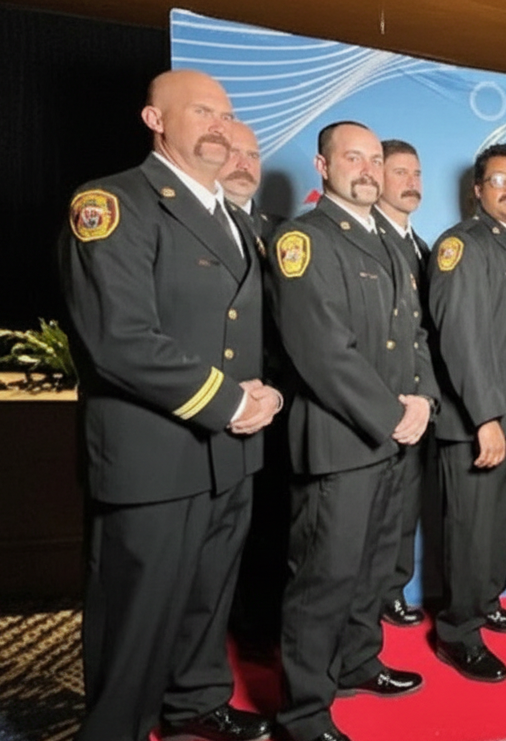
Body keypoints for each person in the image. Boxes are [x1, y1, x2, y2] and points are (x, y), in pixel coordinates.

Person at [60, 69, 279, 741]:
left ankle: (194, 702)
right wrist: (232, 401)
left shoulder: (235, 218)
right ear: (155, 120)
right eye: (202, 112)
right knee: (135, 615)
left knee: (208, 596)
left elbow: (242, 330)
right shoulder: (113, 202)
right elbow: (120, 339)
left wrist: (265, 394)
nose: (220, 126)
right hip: (153, 454)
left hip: (229, 453)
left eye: (227, 114)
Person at [267, 121, 436, 741]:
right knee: (325, 578)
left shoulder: (390, 241)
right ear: (323, 166)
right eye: (352, 158)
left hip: (393, 436)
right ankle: (305, 714)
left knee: (372, 568)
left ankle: (360, 660)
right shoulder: (304, 240)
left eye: (374, 159)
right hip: (340, 440)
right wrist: (392, 413)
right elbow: (322, 351)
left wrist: (422, 399)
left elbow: (415, 334)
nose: (366, 169)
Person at [428, 143, 506, 682]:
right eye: (500, 180)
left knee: (498, 525)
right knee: (470, 529)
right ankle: (457, 632)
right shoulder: (462, 244)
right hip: (479, 420)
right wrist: (485, 418)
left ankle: (482, 603)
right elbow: (462, 338)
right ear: (477, 189)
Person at [221, 120, 291, 660]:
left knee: (271, 520)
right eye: (233, 153)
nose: (245, 164)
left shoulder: (282, 233)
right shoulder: (189, 225)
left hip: (281, 403)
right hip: (216, 402)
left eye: (253, 155)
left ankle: (259, 628)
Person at [372, 138, 439, 627]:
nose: (411, 182)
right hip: (378, 400)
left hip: (419, 399)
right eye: (399, 172)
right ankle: (365, 597)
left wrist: (426, 398)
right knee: (370, 510)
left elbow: (428, 333)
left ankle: (392, 589)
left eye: (416, 173)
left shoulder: (424, 247)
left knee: (405, 505)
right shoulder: (364, 237)